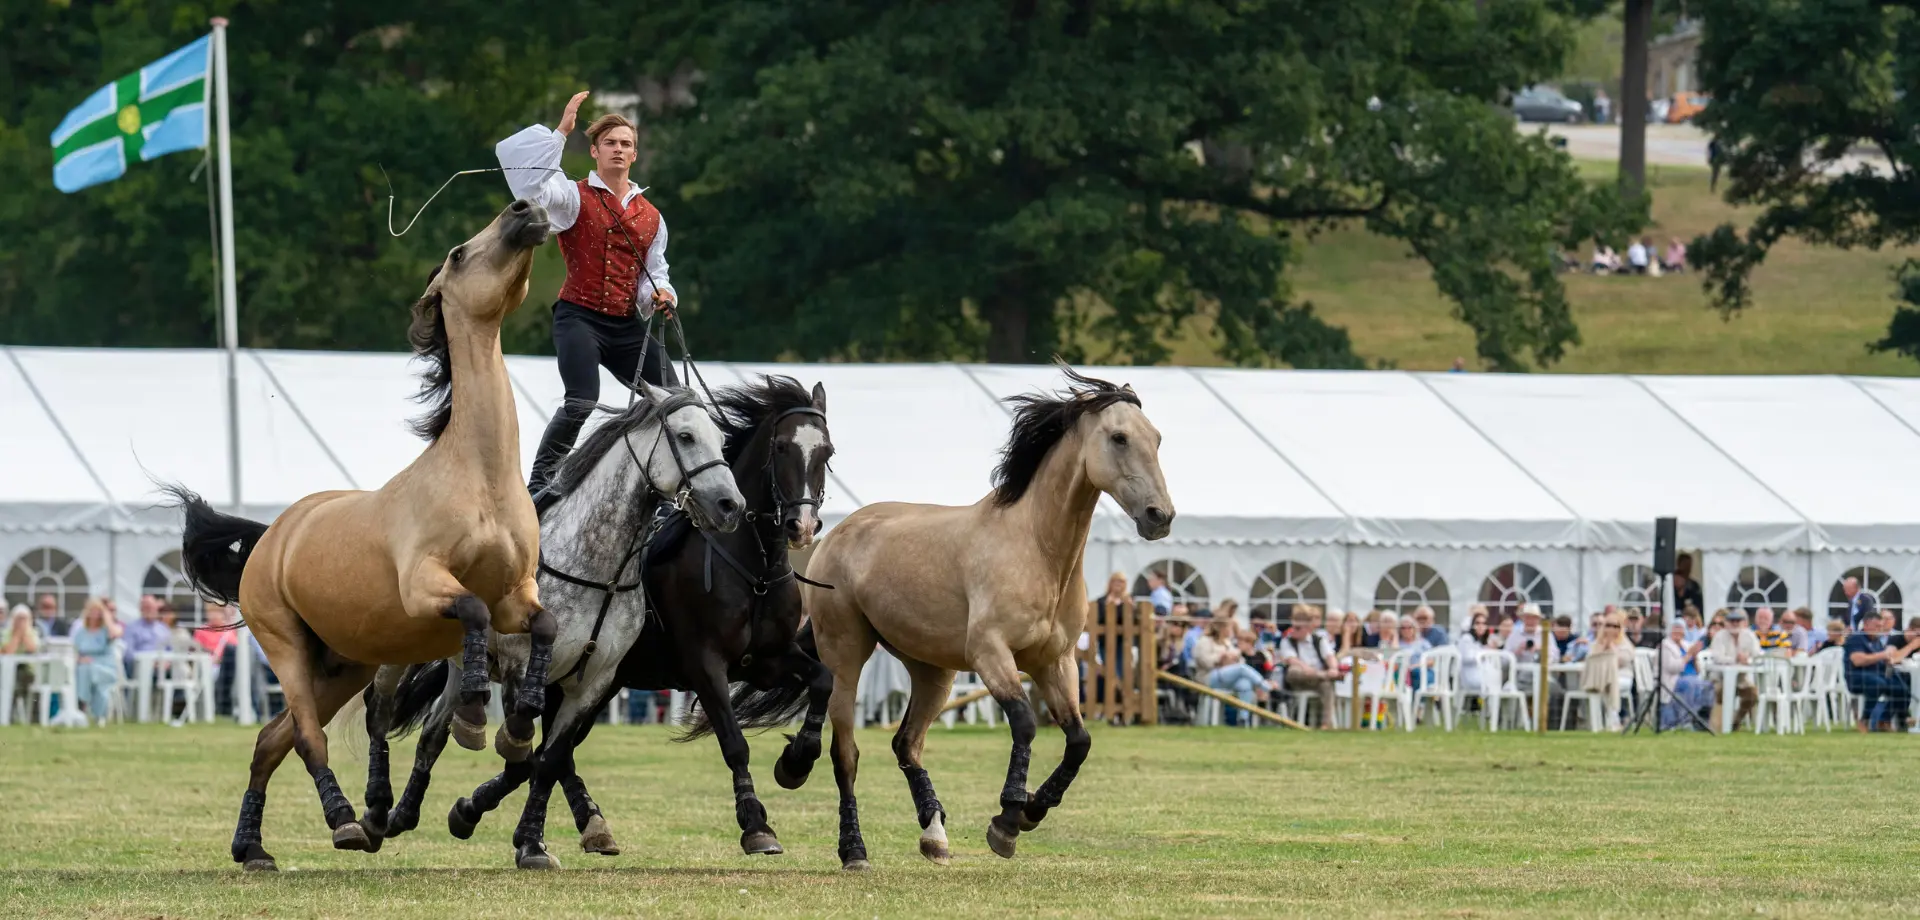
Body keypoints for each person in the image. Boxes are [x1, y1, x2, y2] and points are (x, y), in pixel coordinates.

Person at [496, 90, 683, 498]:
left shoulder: (651, 215)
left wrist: (662, 295)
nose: (619, 150)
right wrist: (560, 134)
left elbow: (654, 271)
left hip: (624, 325)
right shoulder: (571, 196)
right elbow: (529, 188)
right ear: (595, 151)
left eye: (626, 144)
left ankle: (668, 494)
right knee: (582, 401)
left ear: (634, 154)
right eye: (611, 143)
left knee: (679, 400)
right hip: (578, 317)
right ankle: (539, 488)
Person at [1844, 612, 1916, 731]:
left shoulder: (1876, 641)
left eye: (1880, 626)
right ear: (1866, 625)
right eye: (1876, 626)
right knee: (1878, 684)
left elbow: (1882, 658)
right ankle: (1864, 720)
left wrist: (1889, 660)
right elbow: (1857, 660)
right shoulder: (1856, 639)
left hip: (1877, 675)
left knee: (1901, 687)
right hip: (1857, 677)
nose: (1879, 629)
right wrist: (1881, 655)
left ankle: (1884, 720)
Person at [1277, 609, 1340, 728]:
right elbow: (1291, 660)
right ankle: (1323, 675)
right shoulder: (1287, 641)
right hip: (1298, 680)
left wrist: (1333, 668)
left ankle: (1325, 724)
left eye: (1297, 628)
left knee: (1327, 685)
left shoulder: (1319, 640)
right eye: (1293, 627)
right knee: (1294, 670)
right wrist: (1311, 670)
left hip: (1316, 681)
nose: (1293, 630)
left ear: (1307, 628)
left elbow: (1330, 656)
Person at [69, 599, 122, 724]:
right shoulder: (81, 632)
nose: (95, 614)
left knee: (89, 671)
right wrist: (81, 659)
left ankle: (84, 706)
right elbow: (74, 652)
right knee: (84, 670)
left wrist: (107, 616)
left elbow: (115, 634)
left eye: (98, 611)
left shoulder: (107, 631)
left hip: (105, 667)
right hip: (85, 667)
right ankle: (89, 709)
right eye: (92, 611)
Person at [1709, 609, 1763, 732]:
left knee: (1752, 695)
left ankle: (1736, 721)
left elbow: (1758, 655)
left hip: (1741, 679)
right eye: (1732, 621)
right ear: (1726, 623)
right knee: (1721, 693)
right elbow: (1717, 657)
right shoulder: (1720, 636)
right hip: (1721, 678)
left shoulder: (1749, 635)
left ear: (1743, 623)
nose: (1735, 624)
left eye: (1737, 621)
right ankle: (1719, 726)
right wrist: (1735, 659)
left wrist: (1747, 660)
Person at [3, 605, 39, 718]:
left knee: (25, 679)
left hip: (28, 669)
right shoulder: (6, 633)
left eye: (24, 618)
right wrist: (17, 636)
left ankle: (32, 716)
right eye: (19, 618)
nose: (21, 622)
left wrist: (24, 634)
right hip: (7, 670)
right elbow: (9, 651)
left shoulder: (33, 633)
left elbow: (32, 649)